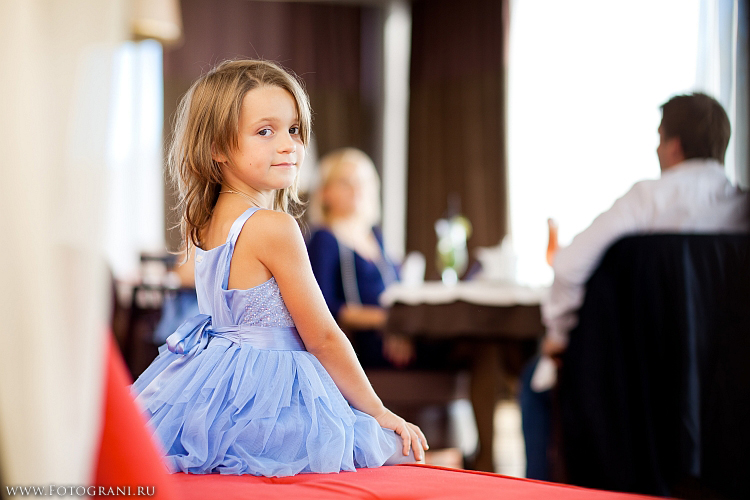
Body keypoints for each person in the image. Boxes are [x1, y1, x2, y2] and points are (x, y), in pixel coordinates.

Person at [132, 60, 427, 477]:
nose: (289, 145)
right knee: (394, 450)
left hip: (215, 387)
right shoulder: (274, 227)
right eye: (265, 132)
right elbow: (323, 337)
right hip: (267, 395)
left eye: (294, 129)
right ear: (217, 147)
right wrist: (378, 411)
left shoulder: (207, 221)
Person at [521, 92, 749, 480]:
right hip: (723, 384)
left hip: (637, 383)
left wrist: (558, 335)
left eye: (660, 138)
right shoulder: (740, 206)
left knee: (533, 383)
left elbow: (568, 266)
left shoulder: (647, 199)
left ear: (673, 146)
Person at [307, 148, 414, 368]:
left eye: (364, 182)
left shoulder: (375, 235)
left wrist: (400, 327)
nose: (357, 189)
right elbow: (322, 308)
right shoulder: (324, 239)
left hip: (397, 331)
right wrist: (387, 322)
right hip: (363, 341)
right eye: (345, 182)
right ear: (325, 192)